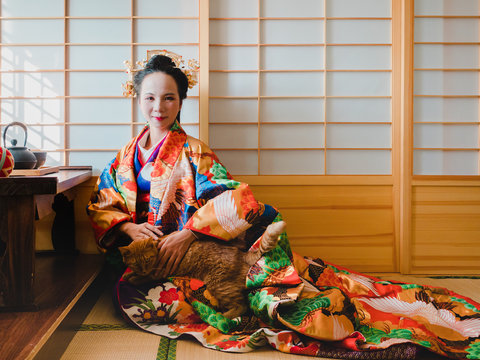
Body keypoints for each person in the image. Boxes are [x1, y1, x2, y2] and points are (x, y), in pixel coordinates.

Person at [87, 52, 480, 360]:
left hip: (191, 256)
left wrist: (188, 234)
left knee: (263, 302)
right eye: (150, 97)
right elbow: (104, 202)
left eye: (169, 97)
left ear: (181, 101)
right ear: (138, 99)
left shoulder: (194, 152)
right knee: (136, 298)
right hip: (145, 256)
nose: (159, 106)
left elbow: (237, 199)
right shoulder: (124, 155)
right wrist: (127, 228)